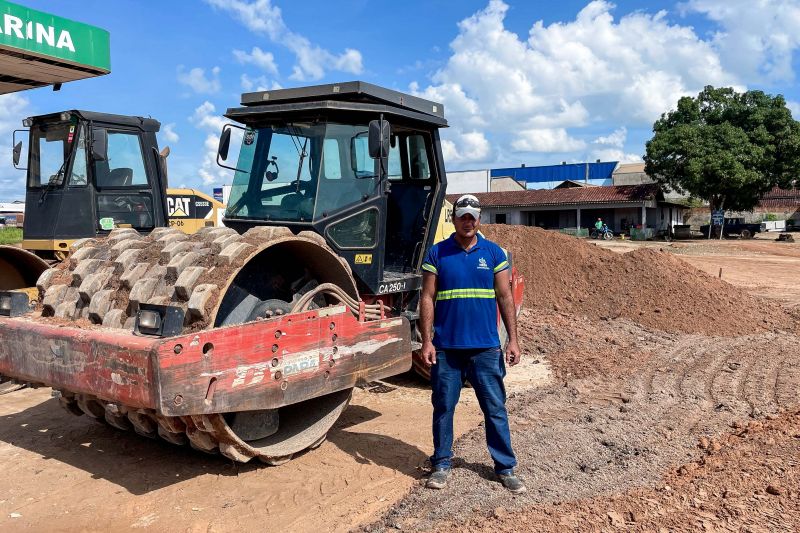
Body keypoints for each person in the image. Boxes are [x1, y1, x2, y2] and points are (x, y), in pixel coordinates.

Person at [419, 194, 526, 494]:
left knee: (495, 408)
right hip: (447, 349)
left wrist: (513, 340)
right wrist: (427, 341)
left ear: (480, 220)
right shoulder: (437, 253)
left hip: (485, 349)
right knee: (443, 408)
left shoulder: (493, 253)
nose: (468, 221)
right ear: (453, 219)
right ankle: (441, 464)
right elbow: (427, 298)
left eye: (473, 216)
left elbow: (505, 297)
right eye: (462, 216)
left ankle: (505, 468)